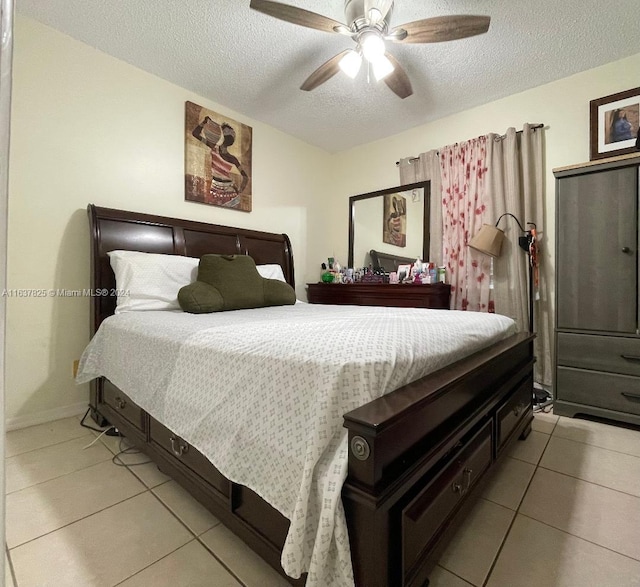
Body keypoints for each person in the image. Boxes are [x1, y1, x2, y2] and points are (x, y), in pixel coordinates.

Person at [192, 116, 249, 206]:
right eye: (225, 132)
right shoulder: (214, 147)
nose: (228, 134)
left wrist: (239, 191)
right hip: (215, 189)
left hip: (230, 192)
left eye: (229, 133)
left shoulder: (232, 158)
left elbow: (246, 177)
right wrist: (204, 122)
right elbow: (195, 133)